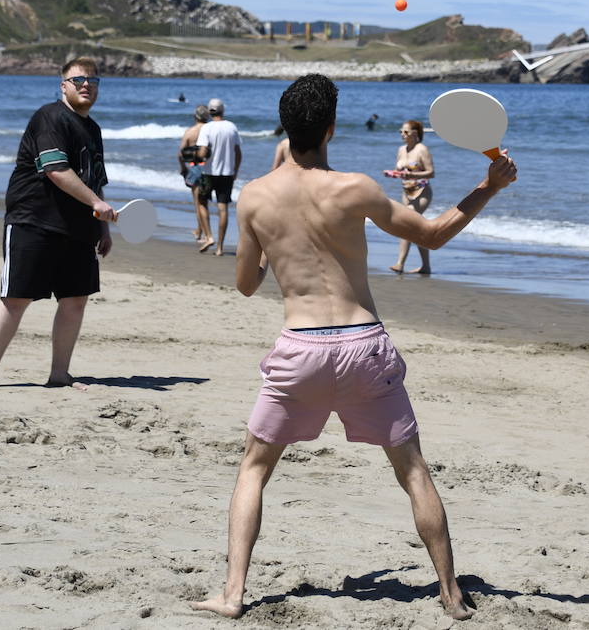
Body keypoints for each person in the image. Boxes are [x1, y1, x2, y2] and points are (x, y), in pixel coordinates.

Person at [188, 74, 516, 622]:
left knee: (254, 467)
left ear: (285, 128)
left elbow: (246, 284)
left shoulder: (255, 197)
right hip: (364, 345)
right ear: (332, 129)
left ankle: (233, 594)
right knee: (412, 470)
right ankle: (451, 594)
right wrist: (489, 187)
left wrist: (271, 245)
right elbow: (432, 235)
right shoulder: (357, 187)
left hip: (303, 348)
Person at [0, 58, 114, 392]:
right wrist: (96, 204)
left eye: (92, 80)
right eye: (77, 79)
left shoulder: (93, 129)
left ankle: (60, 373)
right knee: (16, 297)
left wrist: (103, 227)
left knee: (76, 298)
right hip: (33, 219)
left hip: (79, 228)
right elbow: (55, 169)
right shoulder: (49, 116)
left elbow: (95, 180)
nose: (86, 85)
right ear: (63, 85)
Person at [196, 97, 242, 256]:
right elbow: (238, 153)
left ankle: (209, 236)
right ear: (223, 111)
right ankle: (220, 248)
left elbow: (202, 152)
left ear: (209, 111)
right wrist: (235, 171)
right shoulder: (231, 127)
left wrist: (196, 156)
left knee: (202, 202)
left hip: (208, 172)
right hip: (227, 173)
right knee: (223, 208)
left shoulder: (207, 128)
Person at [387, 119, 434, 275]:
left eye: (406, 132)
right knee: (418, 228)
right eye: (400, 131)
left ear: (415, 133)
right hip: (406, 192)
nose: (402, 134)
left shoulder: (422, 150)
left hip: (422, 193)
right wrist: (393, 173)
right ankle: (426, 266)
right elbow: (400, 170)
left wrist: (412, 174)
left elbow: (431, 172)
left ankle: (400, 263)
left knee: (406, 224)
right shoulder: (402, 149)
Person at [179, 105, 212, 246]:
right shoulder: (211, 130)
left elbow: (181, 153)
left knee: (197, 203)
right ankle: (200, 230)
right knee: (204, 202)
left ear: (195, 116)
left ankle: (204, 234)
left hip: (194, 166)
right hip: (208, 168)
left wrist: (183, 168)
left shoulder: (190, 132)